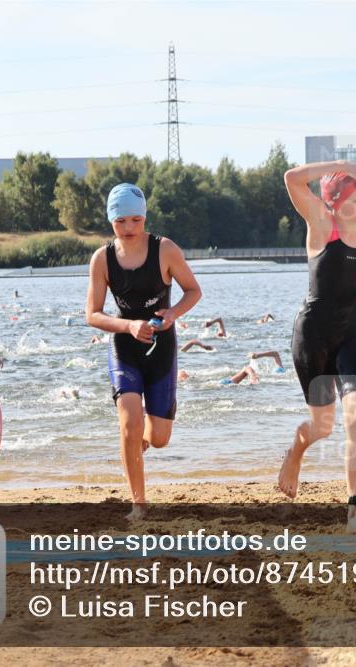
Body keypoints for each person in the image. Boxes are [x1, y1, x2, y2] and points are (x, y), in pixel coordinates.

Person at [278, 161, 356, 533]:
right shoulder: (321, 225)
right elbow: (291, 179)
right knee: (323, 426)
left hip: (351, 334)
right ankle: (295, 452)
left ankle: (355, 512)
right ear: (335, 204)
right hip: (312, 336)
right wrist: (340, 166)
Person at [86, 183, 202, 521]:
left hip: (161, 348)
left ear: (145, 217)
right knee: (129, 422)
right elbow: (92, 314)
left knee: (159, 437)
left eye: (136, 220)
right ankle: (138, 503)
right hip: (124, 346)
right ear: (111, 222)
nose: (129, 229)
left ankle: (140, 446)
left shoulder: (165, 250)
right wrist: (128, 326)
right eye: (121, 222)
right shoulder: (103, 259)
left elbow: (193, 291)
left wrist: (173, 313)